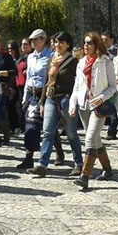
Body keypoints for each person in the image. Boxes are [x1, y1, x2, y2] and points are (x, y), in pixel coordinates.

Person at [28, 31, 82, 178]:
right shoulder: (51, 60)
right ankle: (42, 165)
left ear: (68, 44)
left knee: (71, 133)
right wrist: (42, 101)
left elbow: (77, 83)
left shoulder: (73, 62)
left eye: (61, 42)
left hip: (66, 99)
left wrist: (72, 101)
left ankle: (79, 163)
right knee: (47, 132)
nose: (58, 45)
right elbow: (47, 82)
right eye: (56, 42)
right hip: (51, 98)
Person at [69, 32, 117, 190]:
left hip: (99, 106)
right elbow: (77, 86)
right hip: (84, 104)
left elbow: (113, 86)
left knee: (90, 139)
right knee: (96, 140)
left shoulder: (106, 61)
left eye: (89, 42)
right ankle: (108, 170)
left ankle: (85, 176)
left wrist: (102, 97)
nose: (86, 45)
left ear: (96, 44)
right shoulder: (81, 62)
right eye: (84, 42)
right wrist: (72, 103)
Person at [19, 29, 51, 169]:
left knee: (46, 125)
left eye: (35, 39)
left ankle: (59, 152)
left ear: (43, 40)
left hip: (44, 94)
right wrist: (25, 96)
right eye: (31, 40)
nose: (33, 42)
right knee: (30, 125)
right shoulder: (30, 57)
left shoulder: (50, 56)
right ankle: (29, 156)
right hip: (32, 93)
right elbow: (29, 78)